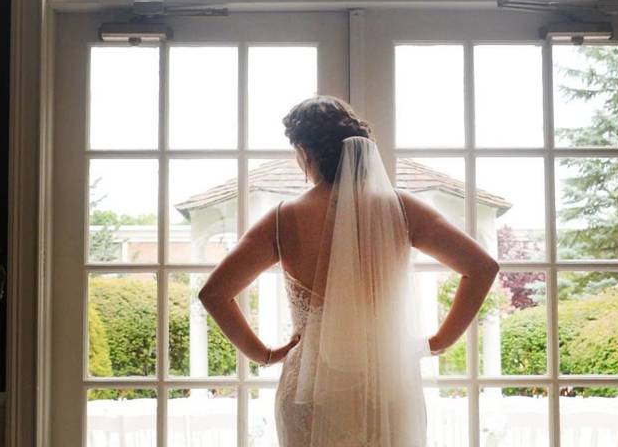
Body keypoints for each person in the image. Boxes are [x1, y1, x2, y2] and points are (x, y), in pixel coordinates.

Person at [199, 95, 500, 446]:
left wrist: (264, 354)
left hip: (308, 389)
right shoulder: (401, 208)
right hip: (385, 384)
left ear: (304, 151)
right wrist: (439, 342)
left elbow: (214, 294)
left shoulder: (282, 218)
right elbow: (482, 267)